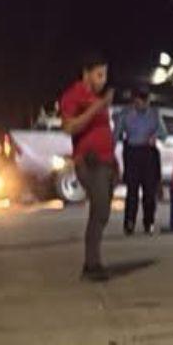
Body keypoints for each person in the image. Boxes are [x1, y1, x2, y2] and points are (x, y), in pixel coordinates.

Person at [59, 52, 116, 281]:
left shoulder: (96, 98)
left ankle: (93, 261)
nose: (103, 80)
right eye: (99, 74)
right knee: (100, 209)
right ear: (86, 73)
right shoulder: (74, 96)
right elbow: (69, 127)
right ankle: (91, 264)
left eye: (105, 75)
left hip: (106, 162)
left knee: (102, 212)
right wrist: (98, 107)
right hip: (89, 162)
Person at [115, 88, 167, 235]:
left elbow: (164, 134)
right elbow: (116, 135)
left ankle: (148, 222)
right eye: (140, 102)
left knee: (149, 192)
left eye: (146, 102)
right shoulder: (124, 114)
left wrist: (154, 135)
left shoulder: (154, 114)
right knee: (132, 191)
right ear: (134, 101)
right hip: (132, 153)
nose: (143, 105)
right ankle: (129, 223)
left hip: (149, 153)